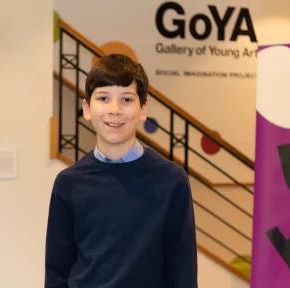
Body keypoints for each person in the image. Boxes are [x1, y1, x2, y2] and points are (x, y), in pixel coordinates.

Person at [45, 54, 197, 287]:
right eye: (103, 98)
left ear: (143, 108)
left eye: (126, 99)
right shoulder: (68, 183)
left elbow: (182, 270)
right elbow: (56, 272)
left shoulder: (171, 181)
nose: (114, 110)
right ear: (87, 108)